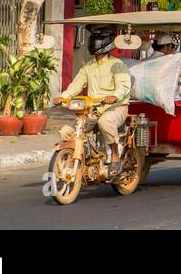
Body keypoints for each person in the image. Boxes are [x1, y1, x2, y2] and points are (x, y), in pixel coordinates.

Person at [56, 27, 132, 177]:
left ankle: (115, 156)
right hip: (93, 110)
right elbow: (76, 85)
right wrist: (63, 97)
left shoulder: (117, 65)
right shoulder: (88, 67)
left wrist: (114, 96)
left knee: (105, 122)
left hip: (116, 108)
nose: (95, 41)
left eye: (100, 38)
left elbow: (123, 86)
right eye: (94, 38)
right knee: (67, 132)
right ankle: (82, 158)